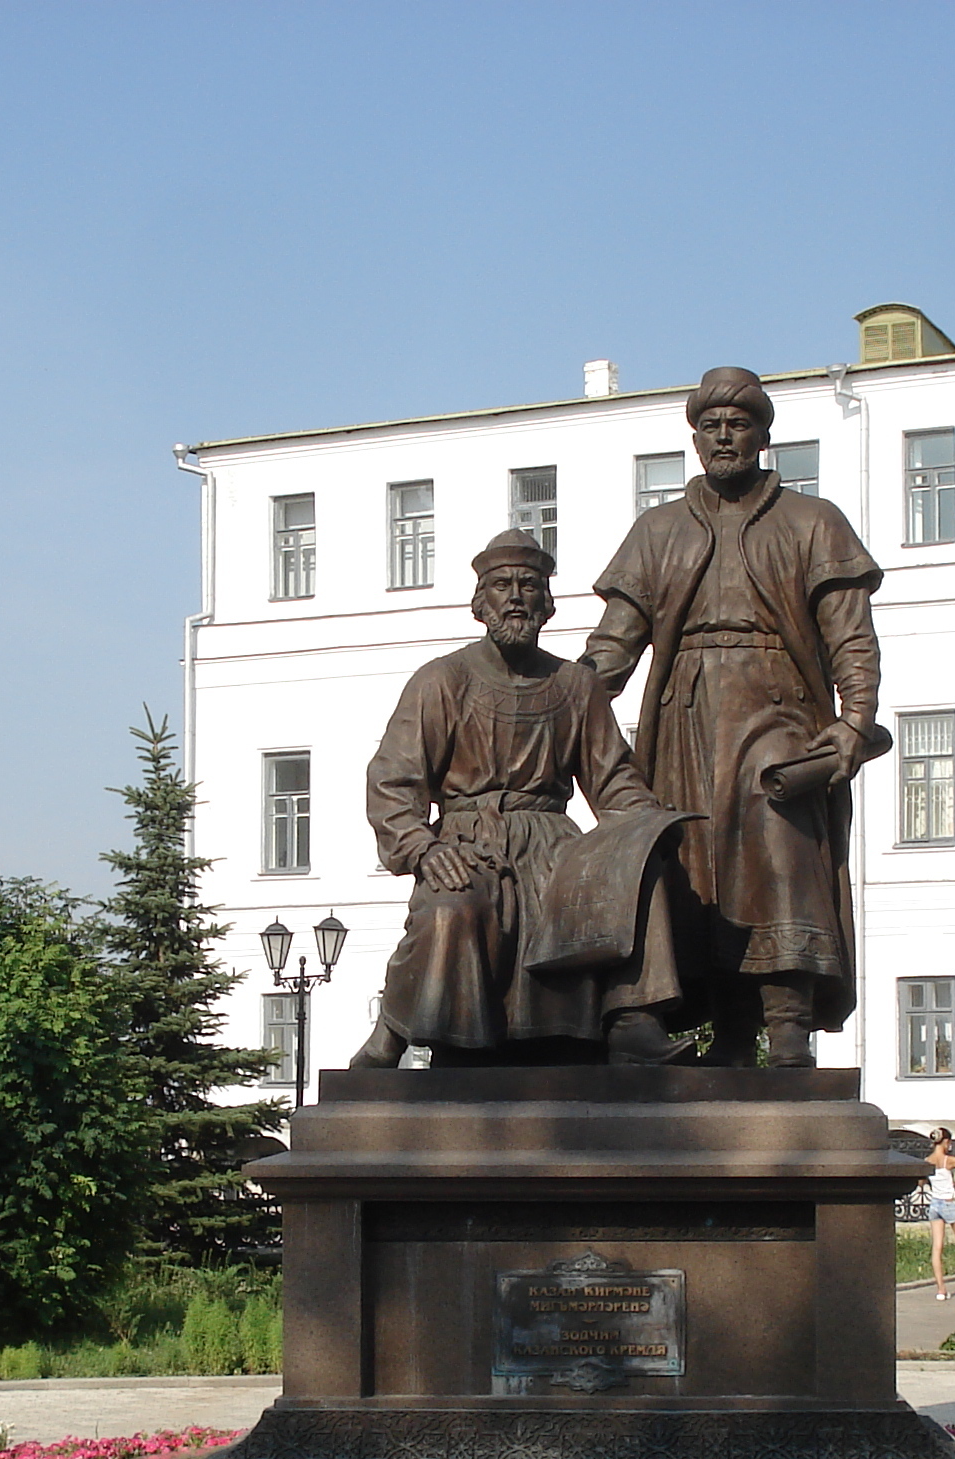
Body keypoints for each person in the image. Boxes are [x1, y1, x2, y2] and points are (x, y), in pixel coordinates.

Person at [583, 366, 887, 1066]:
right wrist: (556, 699)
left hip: (777, 703)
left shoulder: (812, 521)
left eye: (739, 423)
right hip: (683, 713)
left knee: (778, 851)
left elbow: (850, 635)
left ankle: (787, 1020)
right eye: (710, 425)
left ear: (763, 435)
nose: (724, 435)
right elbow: (614, 645)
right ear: (694, 438)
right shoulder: (658, 529)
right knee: (693, 864)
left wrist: (852, 720)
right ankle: (723, 1024)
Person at [350, 531, 687, 1067]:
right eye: (502, 585)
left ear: (546, 603)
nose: (515, 597)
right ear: (480, 603)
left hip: (554, 844)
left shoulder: (577, 686)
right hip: (469, 842)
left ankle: (631, 1021)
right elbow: (393, 781)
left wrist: (644, 827)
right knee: (454, 908)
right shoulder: (442, 681)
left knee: (639, 866)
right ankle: (399, 1028)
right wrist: (424, 849)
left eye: (528, 586)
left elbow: (613, 778)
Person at [921, 1128, 955, 1301]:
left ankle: (941, 1289)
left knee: (937, 1247)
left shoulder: (928, 1161)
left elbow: (921, 1181)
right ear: (946, 1142)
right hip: (949, 1203)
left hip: (935, 1204)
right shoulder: (949, 1160)